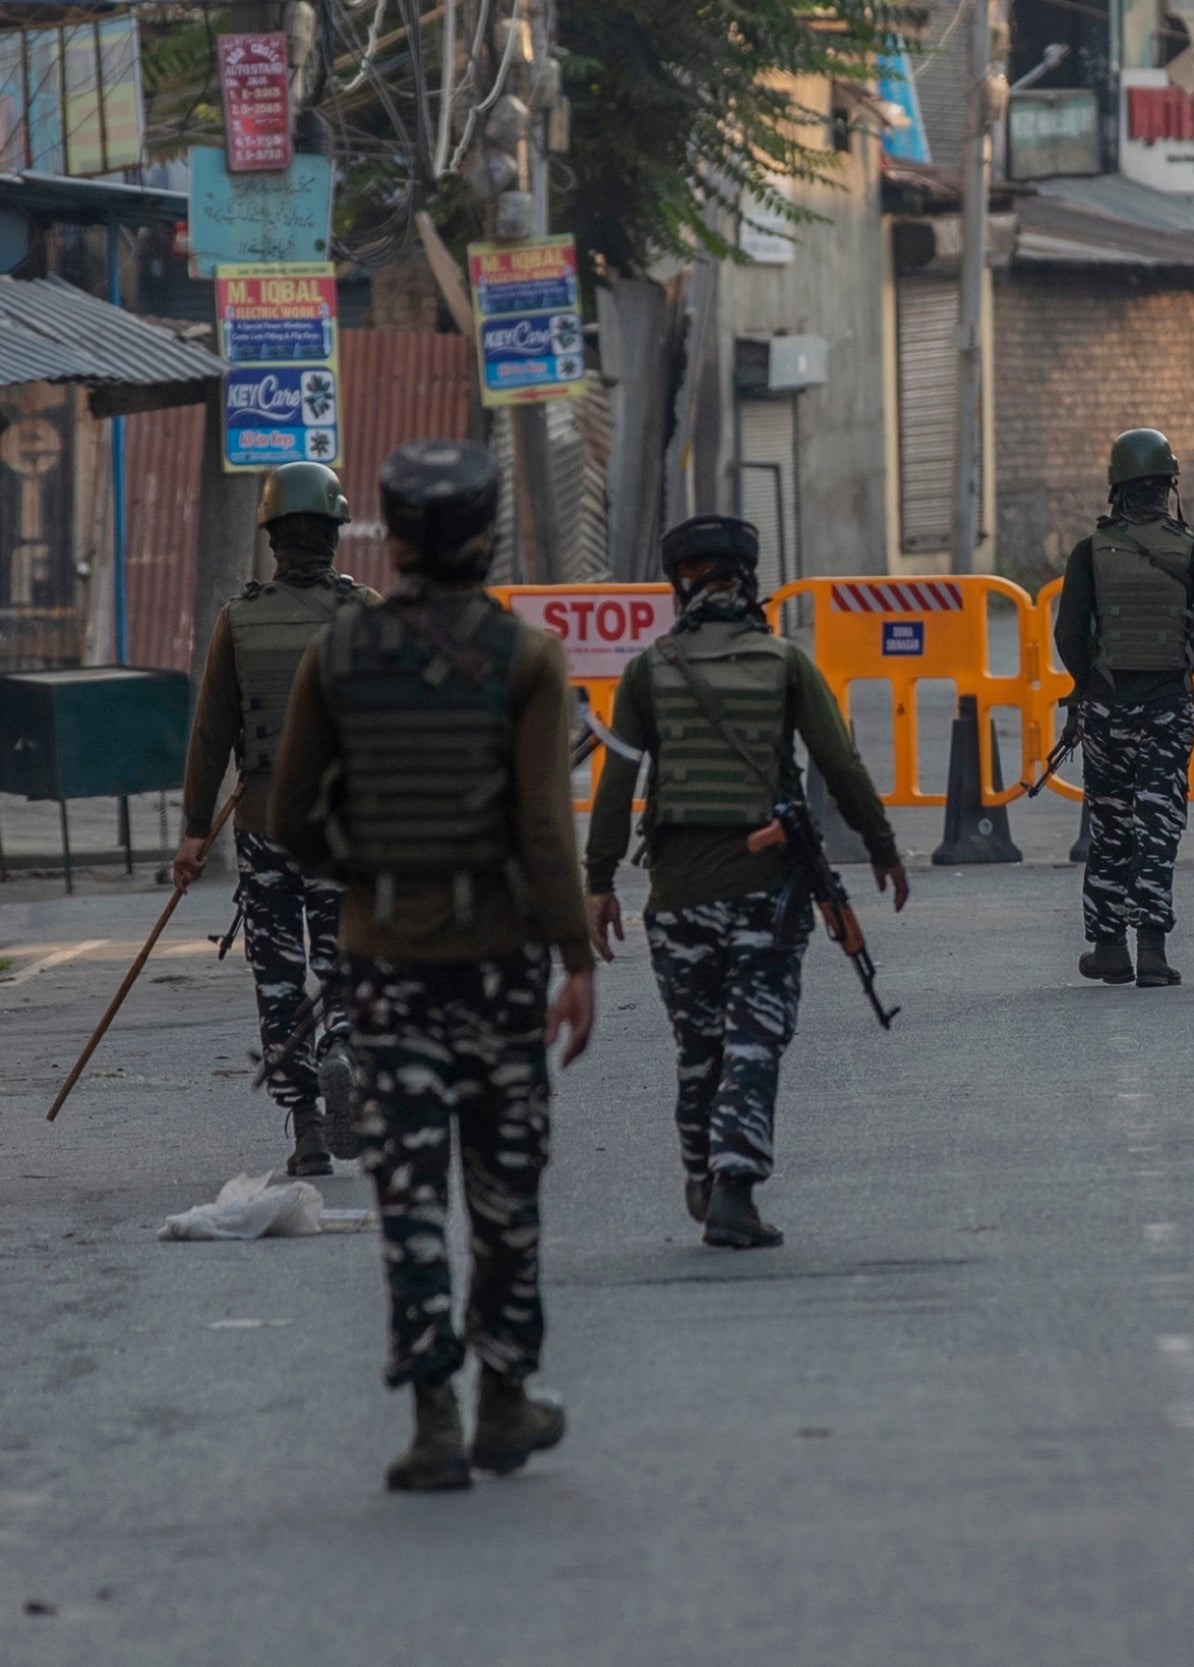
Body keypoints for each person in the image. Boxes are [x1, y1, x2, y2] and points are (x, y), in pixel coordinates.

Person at [270, 439, 597, 1493]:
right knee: (504, 1190)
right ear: (487, 534)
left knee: (410, 1191)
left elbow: (290, 818)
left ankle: (434, 1417)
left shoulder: (342, 653)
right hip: (500, 971)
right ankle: (506, 1397)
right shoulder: (528, 656)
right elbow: (548, 830)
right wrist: (576, 959)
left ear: (397, 537)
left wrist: (365, 883)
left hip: (384, 972)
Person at [583, 515, 908, 1250]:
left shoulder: (648, 668)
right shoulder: (784, 661)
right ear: (749, 581)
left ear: (679, 584)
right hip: (767, 892)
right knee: (753, 1040)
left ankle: (703, 1170)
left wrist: (598, 881)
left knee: (700, 1047)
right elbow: (841, 764)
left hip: (676, 898)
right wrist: (883, 848)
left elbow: (617, 781)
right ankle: (733, 1188)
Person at [172, 463, 379, 1176]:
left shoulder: (240, 618)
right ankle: (343, 1043)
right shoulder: (368, 614)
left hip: (262, 824)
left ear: (271, 537)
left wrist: (194, 831)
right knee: (342, 955)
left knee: (279, 974)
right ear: (333, 532)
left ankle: (305, 1128)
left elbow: (212, 735)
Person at [1051, 427, 1194, 988]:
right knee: (1157, 824)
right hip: (1168, 708)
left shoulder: (1090, 552)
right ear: (1168, 487)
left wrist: (1086, 684)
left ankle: (1109, 948)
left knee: (1110, 825)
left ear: (1116, 486)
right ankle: (1153, 952)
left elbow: (1069, 632)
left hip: (1108, 710)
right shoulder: (1192, 549)